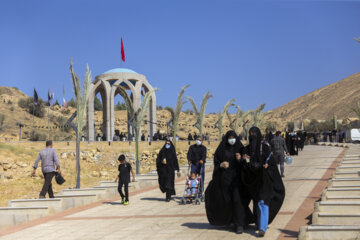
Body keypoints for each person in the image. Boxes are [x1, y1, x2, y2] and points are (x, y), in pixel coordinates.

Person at [205, 130, 253, 234]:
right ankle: (232, 222)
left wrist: (240, 159)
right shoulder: (221, 149)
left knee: (237, 200)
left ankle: (239, 224)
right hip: (225, 180)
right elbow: (216, 163)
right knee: (228, 200)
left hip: (237, 179)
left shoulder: (241, 148)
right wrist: (221, 165)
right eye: (230, 137)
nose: (232, 140)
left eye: (233, 137)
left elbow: (246, 162)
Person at [241, 127, 285, 237]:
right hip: (252, 181)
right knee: (257, 202)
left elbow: (272, 164)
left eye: (254, 133)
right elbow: (243, 164)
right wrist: (243, 159)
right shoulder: (246, 149)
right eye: (250, 133)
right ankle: (258, 222)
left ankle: (262, 228)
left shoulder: (265, 148)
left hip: (264, 180)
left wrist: (267, 165)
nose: (252, 135)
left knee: (263, 202)